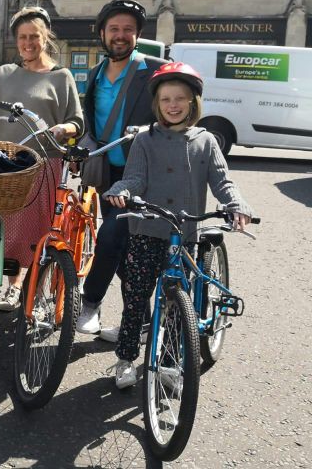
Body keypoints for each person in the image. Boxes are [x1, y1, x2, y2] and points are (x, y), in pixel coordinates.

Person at [104, 62, 253, 389]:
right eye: (166, 99)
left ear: (192, 103)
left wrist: (235, 204)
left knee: (176, 305)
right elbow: (135, 178)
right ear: (157, 104)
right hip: (146, 232)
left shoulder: (206, 141)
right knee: (136, 298)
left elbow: (222, 182)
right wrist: (121, 190)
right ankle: (126, 357)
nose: (173, 105)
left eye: (180, 99)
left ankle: (170, 363)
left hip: (184, 237)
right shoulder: (145, 140)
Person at [0, 6, 83, 310]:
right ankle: (8, 277)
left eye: (33, 36)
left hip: (40, 162)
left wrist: (64, 128)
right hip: (0, 160)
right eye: (22, 37)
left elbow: (77, 120)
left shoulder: (62, 78)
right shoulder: (4, 74)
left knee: (28, 231)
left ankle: (20, 286)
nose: (27, 43)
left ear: (45, 37)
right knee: (1, 226)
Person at [75, 0, 164, 342]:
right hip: (106, 174)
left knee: (111, 236)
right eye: (114, 29)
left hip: (139, 176)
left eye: (128, 29)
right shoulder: (96, 74)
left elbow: (176, 110)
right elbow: (92, 123)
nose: (121, 35)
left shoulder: (155, 70)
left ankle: (90, 302)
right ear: (102, 33)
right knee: (125, 256)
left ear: (138, 35)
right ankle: (142, 324)